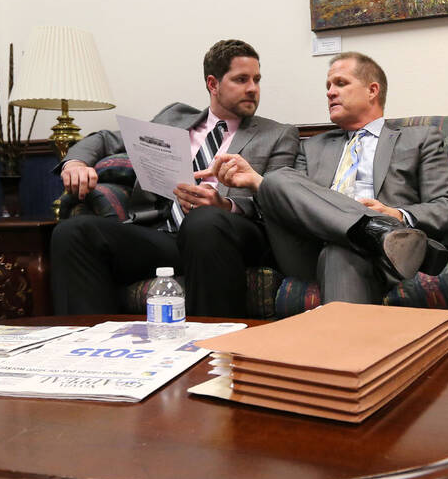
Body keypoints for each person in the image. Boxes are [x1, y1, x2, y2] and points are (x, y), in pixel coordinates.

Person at [51, 39, 300, 317]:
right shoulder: (174, 117)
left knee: (204, 221)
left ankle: (211, 345)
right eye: (241, 79)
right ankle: (94, 346)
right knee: (73, 233)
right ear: (213, 84)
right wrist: (75, 162)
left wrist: (225, 206)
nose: (253, 88)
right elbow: (106, 139)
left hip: (233, 233)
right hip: (166, 236)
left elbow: (278, 199)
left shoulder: (277, 134)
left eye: (256, 79)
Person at [202, 51, 448, 303]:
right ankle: (375, 230)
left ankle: (375, 232)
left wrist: (397, 215)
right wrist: (258, 182)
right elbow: (285, 203)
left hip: (386, 258)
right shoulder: (310, 146)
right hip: (310, 249)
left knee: (340, 251)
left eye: (341, 83)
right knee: (277, 178)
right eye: (328, 86)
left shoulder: (419, 139)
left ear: (372, 90)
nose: (330, 92)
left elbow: (447, 206)